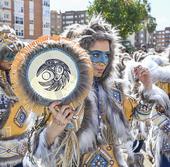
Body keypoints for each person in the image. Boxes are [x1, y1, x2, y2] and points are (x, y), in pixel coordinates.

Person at [23, 16, 163, 167]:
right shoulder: (60, 92)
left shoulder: (114, 90)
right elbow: (36, 148)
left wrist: (147, 86)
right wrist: (56, 126)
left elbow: (139, 118)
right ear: (79, 55)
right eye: (96, 54)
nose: (103, 61)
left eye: (107, 55)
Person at [0, 25, 27, 167]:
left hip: (22, 153)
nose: (12, 58)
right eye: (8, 54)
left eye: (15, 53)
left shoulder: (17, 77)